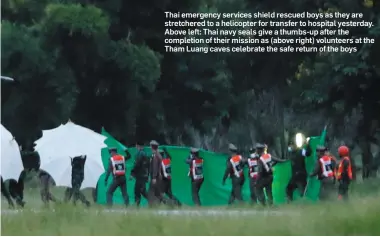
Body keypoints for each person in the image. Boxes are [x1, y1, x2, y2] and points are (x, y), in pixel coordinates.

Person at [130, 141, 150, 207]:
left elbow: (137, 165)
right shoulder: (145, 154)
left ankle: (137, 205)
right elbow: (148, 166)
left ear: (137, 145)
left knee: (138, 191)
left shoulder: (139, 154)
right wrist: (147, 175)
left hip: (140, 175)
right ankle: (152, 202)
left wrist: (132, 173)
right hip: (144, 175)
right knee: (141, 190)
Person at [147, 140, 167, 206]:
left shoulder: (156, 156)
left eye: (150, 146)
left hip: (156, 177)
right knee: (157, 193)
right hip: (158, 176)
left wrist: (154, 177)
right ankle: (168, 203)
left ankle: (151, 206)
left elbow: (155, 167)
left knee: (151, 192)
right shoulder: (158, 155)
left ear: (152, 147)